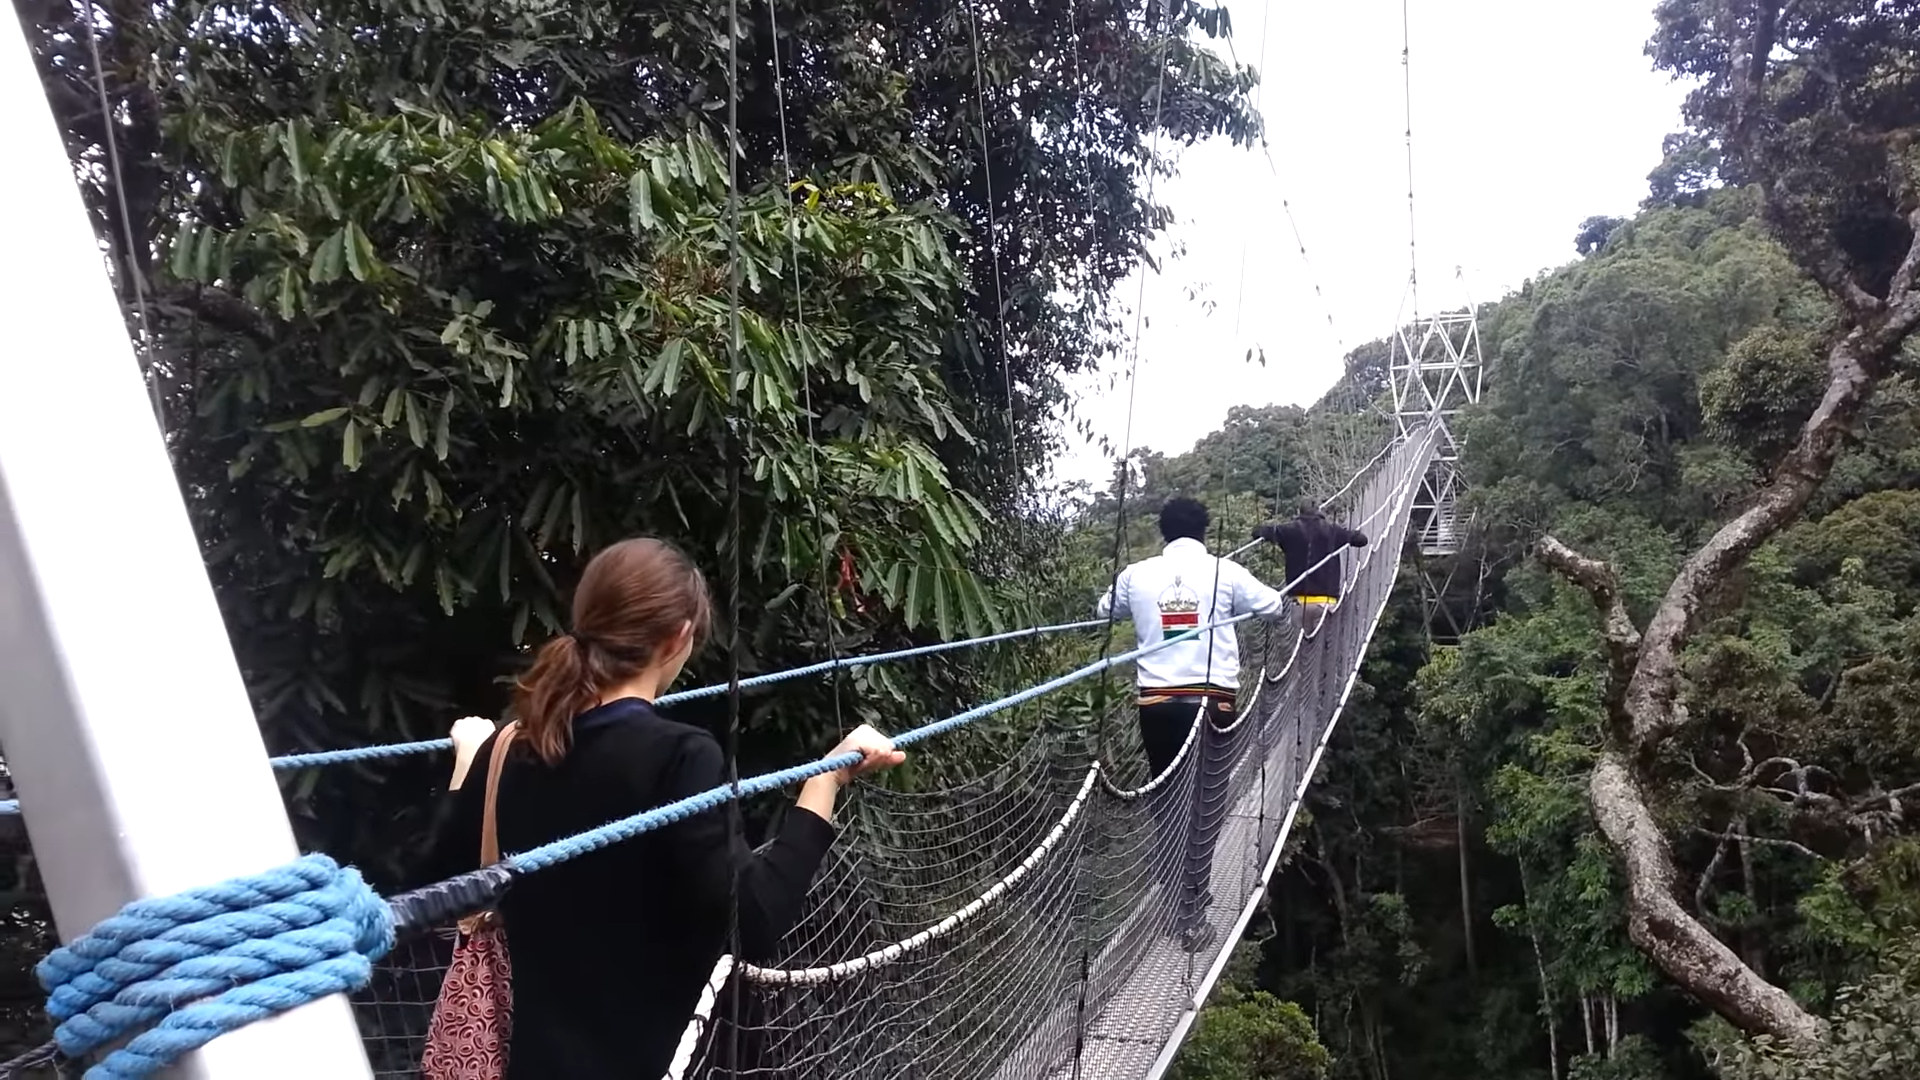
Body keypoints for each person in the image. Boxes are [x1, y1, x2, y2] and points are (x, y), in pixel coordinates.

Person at [429, 537, 905, 1080]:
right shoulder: (678, 756)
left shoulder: (508, 749)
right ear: (679, 637)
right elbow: (755, 920)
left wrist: (469, 761)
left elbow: (441, 881)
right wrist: (827, 776)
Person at [1096, 496, 1288, 952]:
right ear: (1204, 531)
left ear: (1164, 532)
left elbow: (1104, 610)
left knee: (1166, 800)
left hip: (1157, 703)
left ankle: (1172, 897)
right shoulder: (1227, 571)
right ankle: (1191, 911)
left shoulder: (1136, 575)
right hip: (1212, 702)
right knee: (1205, 804)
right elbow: (1274, 608)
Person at [1252, 500, 1369, 635]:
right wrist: (1347, 534)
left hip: (1300, 604)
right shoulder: (1332, 531)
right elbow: (1362, 540)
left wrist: (1261, 529)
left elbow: (1259, 532)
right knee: (1327, 651)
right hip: (1327, 605)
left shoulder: (1288, 530)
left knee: (1302, 652)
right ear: (1320, 512)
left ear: (1298, 512)